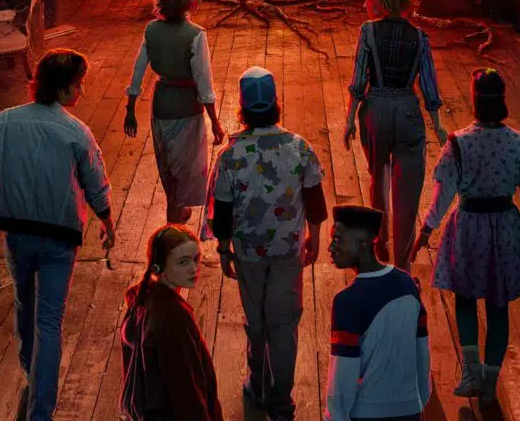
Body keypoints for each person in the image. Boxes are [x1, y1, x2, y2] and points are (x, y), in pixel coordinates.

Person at [0, 48, 116, 420]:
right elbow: (96, 184)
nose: (81, 92)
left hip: (17, 234)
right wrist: (107, 221)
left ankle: (27, 365)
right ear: (63, 88)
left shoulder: (3, 122)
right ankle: (41, 412)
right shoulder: (76, 132)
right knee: (50, 321)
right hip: (60, 237)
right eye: (78, 85)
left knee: (24, 302)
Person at [414, 68, 520, 406]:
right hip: (505, 226)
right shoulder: (519, 143)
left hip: (469, 227)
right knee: (498, 304)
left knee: (465, 297)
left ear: (474, 100)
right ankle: (490, 380)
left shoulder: (458, 143)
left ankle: (471, 371)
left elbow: (443, 194)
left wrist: (427, 228)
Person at [203, 66, 328, 421]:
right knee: (284, 325)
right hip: (288, 250)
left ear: (242, 110)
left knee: (256, 321)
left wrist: (223, 249)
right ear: (277, 104)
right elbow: (315, 202)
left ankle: (257, 385)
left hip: (248, 252)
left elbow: (222, 210)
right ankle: (282, 403)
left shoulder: (231, 155)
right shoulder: (300, 147)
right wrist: (314, 238)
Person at [343, 0, 448, 270]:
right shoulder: (419, 38)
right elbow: (428, 85)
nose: (365, 4)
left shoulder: (368, 32)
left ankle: (380, 243)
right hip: (407, 111)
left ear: (380, 1)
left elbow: (359, 80)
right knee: (408, 191)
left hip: (375, 110)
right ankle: (402, 264)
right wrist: (437, 124)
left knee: (379, 178)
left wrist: (350, 119)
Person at [125, 0, 226, 224]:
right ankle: (174, 223)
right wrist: (215, 122)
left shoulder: (151, 30)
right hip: (186, 107)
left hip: (160, 105)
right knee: (185, 170)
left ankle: (177, 214)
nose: (199, 2)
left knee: (169, 166)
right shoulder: (196, 35)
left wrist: (130, 109)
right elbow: (204, 84)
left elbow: (138, 71)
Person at [325, 205, 431, 421]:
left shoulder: (347, 301)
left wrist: (335, 417)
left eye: (338, 240)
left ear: (362, 243)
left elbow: (343, 374)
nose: (330, 247)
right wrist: (419, 400)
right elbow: (422, 351)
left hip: (366, 413)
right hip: (410, 411)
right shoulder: (407, 284)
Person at [120, 225, 224, 421]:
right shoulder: (173, 318)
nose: (194, 268)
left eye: (196, 259)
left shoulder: (143, 296)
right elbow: (185, 390)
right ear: (158, 267)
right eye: (183, 262)